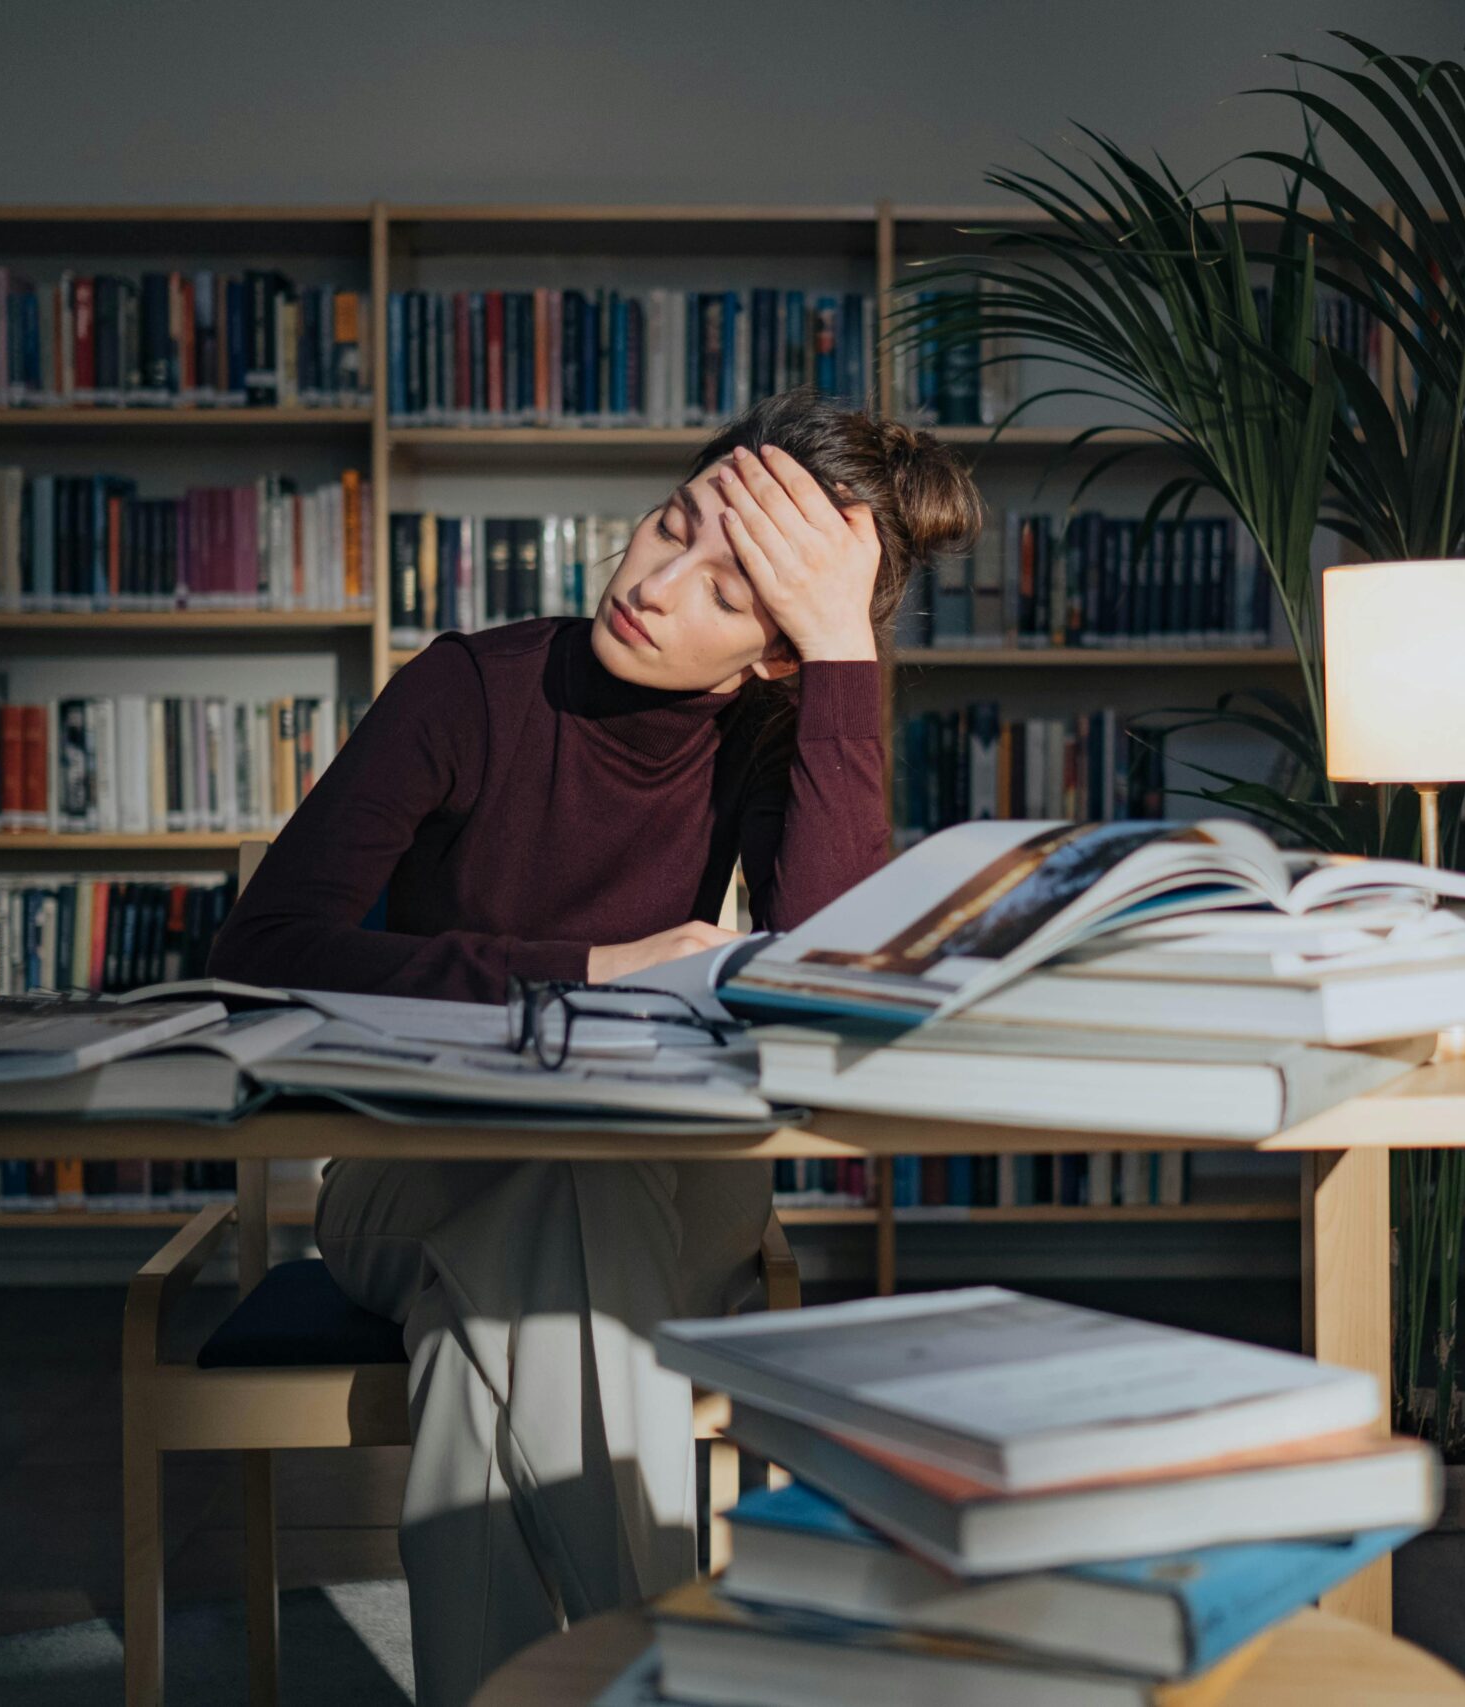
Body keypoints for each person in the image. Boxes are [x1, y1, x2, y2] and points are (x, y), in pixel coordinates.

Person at [205, 386, 982, 1704]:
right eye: (673, 525)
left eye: (734, 591)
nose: (658, 583)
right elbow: (263, 952)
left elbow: (825, 990)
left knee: (493, 1329)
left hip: (674, 1182)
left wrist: (847, 654)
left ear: (779, 651)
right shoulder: (469, 689)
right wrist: (584, 973)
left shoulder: (777, 730)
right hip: (415, 1177)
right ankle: (671, 1670)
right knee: (560, 1198)